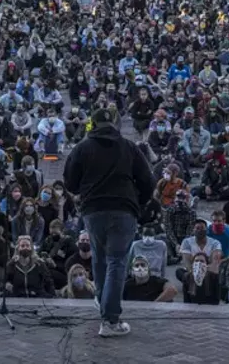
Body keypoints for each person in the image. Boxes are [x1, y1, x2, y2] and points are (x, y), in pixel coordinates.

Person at [63, 105, 154, 338]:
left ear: (92, 124)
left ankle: (102, 299)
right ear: (114, 124)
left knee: (100, 257)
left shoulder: (82, 147)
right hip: (123, 209)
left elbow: (70, 182)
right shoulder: (129, 147)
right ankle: (110, 319)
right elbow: (148, 180)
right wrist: (138, 202)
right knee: (117, 262)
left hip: (93, 210)